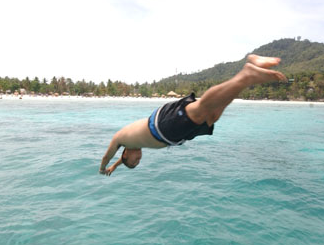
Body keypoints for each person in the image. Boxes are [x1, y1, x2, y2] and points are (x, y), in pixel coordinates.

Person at [99, 54, 287, 175]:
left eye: (135, 160)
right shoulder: (132, 144)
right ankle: (248, 74)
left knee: (201, 109)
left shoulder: (120, 139)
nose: (139, 158)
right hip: (172, 134)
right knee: (212, 117)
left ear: (126, 153)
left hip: (162, 125)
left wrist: (102, 168)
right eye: (138, 162)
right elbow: (121, 160)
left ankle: (246, 75)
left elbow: (108, 156)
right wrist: (114, 167)